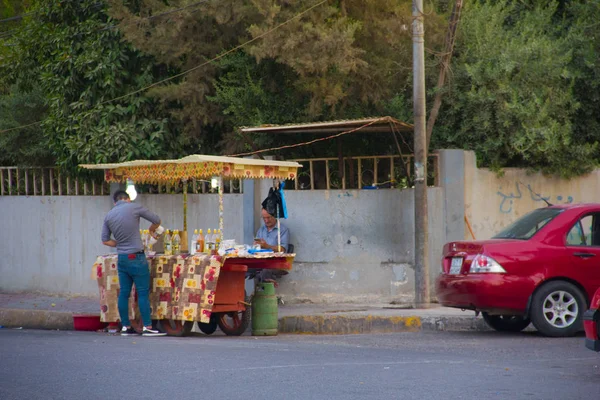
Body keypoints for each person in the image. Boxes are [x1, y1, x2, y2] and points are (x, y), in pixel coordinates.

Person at [101, 190, 166, 337]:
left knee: (124, 293)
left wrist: (121, 244)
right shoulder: (134, 207)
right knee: (142, 292)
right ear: (128, 199)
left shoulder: (109, 215)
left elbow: (105, 240)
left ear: (115, 202)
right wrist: (151, 229)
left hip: (122, 258)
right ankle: (148, 327)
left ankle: (125, 327)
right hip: (136, 257)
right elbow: (156, 219)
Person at [253, 208, 290, 285]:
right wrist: (256, 246)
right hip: (261, 261)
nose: (266, 221)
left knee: (265, 270)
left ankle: (265, 293)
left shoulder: (283, 230)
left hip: (275, 262)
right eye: (264, 218)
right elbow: (256, 247)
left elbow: (282, 249)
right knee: (245, 268)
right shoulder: (261, 230)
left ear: (275, 216)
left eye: (268, 217)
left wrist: (267, 246)